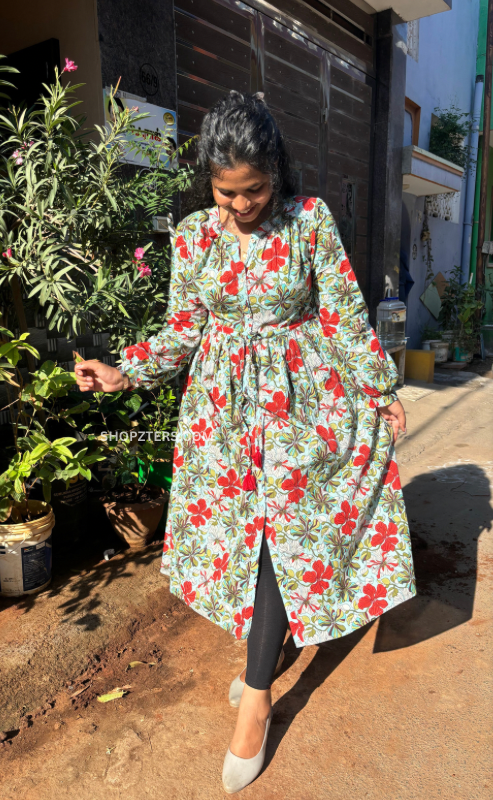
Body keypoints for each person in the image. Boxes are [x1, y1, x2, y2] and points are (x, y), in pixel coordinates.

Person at [75, 91, 416, 794]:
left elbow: (347, 318)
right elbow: (181, 330)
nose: (240, 206)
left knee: (282, 535)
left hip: (302, 405)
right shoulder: (194, 234)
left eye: (254, 190)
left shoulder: (309, 222)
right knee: (247, 535)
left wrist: (380, 392)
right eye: (226, 192)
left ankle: (257, 695)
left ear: (277, 175)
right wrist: (122, 371)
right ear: (210, 183)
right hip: (223, 417)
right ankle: (270, 646)